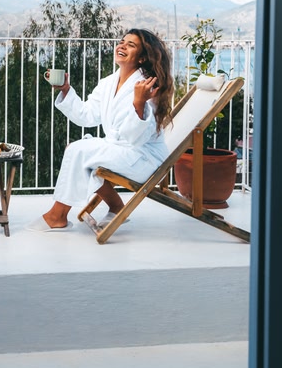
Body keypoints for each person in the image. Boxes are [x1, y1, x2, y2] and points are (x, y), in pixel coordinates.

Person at [27, 28, 174, 232]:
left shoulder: (147, 86)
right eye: (122, 41)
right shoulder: (108, 83)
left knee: (80, 151)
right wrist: (66, 90)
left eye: (131, 45)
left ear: (141, 58)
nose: (122, 45)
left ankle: (57, 215)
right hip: (121, 151)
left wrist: (139, 103)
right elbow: (86, 116)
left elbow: (136, 138)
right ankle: (115, 207)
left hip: (143, 157)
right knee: (77, 149)